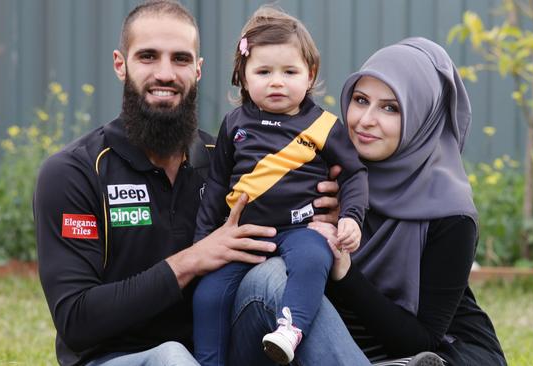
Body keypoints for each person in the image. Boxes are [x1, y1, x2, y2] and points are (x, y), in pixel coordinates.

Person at [33, 1, 353, 365]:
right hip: (116, 357)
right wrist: (192, 260)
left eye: (181, 59)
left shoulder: (228, 159)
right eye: (148, 57)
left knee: (274, 278)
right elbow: (76, 320)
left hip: (217, 350)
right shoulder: (74, 172)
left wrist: (316, 212)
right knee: (171, 357)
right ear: (121, 65)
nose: (166, 73)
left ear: (198, 70)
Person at [307, 37, 508, 365]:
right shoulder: (327, 172)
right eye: (360, 100)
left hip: (435, 350)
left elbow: (422, 338)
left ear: (422, 116)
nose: (365, 120)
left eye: (391, 107)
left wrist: (344, 269)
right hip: (337, 344)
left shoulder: (451, 212)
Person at [192, 6, 368, 365]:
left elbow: (353, 174)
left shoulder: (324, 126)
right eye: (263, 71)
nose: (277, 81)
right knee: (208, 295)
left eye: (290, 72)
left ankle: (290, 328)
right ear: (242, 75)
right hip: (243, 237)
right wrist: (202, 243)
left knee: (315, 257)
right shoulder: (234, 124)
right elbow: (215, 187)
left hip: (298, 229)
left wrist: (351, 216)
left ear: (310, 75)